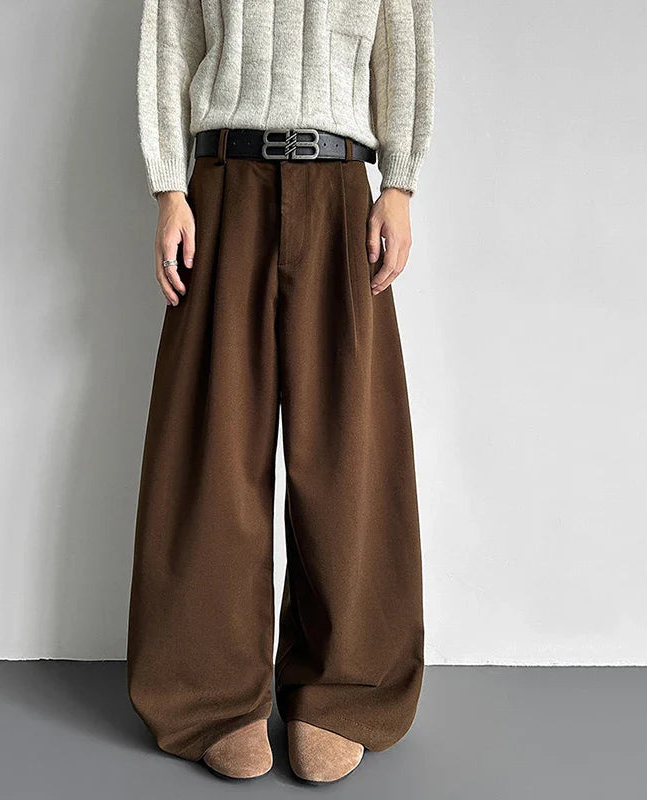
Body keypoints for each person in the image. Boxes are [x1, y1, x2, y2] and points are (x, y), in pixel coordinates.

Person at [127, 0, 434, 784]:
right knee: (214, 445)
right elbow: (171, 39)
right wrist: (168, 188)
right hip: (222, 184)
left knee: (347, 448)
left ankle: (341, 691)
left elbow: (401, 42)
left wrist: (399, 184)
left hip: (340, 190)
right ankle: (211, 695)